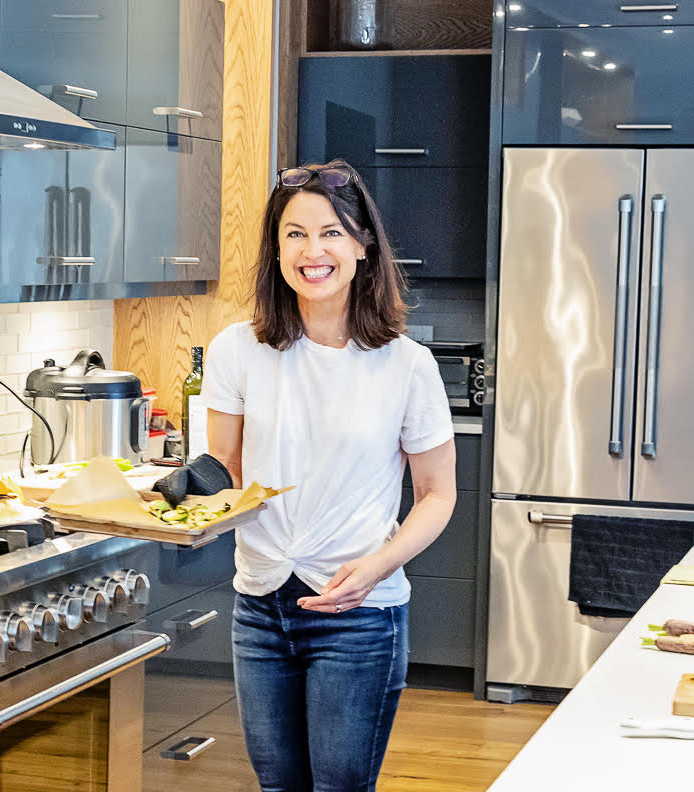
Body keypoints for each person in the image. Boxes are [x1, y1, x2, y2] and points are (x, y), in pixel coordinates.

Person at [199, 160, 457, 792]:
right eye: (294, 234)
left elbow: (436, 494)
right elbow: (225, 474)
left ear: (363, 246)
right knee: (277, 785)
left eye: (331, 233)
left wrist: (376, 568)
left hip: (359, 612)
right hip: (260, 603)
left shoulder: (406, 364)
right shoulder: (237, 349)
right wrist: (180, 498)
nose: (312, 251)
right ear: (275, 249)